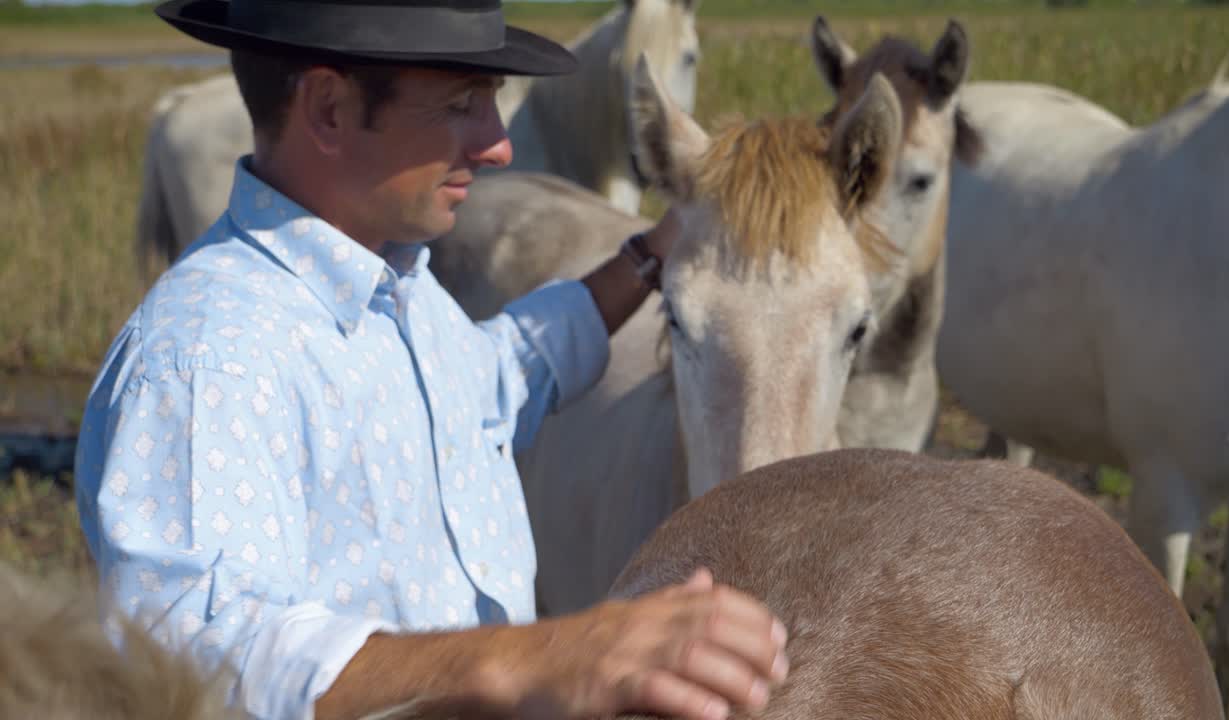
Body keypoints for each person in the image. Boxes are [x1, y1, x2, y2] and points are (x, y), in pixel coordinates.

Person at [73, 0, 790, 718]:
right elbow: (194, 654)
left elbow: (501, 377)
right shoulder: (211, 357)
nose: (497, 144)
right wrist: (557, 654)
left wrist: (647, 256)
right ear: (327, 108)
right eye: (462, 104)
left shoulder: (395, 286)